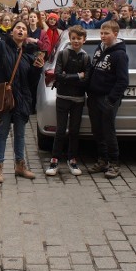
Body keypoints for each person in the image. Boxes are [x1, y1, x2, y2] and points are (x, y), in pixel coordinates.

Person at [0, 7, 44, 183]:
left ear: (26, 34)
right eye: (18, 28)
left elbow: (32, 81)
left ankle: (20, 166)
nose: (21, 30)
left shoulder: (28, 54)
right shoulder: (0, 47)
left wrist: (37, 68)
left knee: (20, 134)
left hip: (22, 99)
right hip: (4, 97)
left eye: (24, 29)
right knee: (2, 133)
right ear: (12, 32)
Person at [85, 21, 129, 179]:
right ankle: (102, 160)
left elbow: (123, 80)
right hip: (94, 96)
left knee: (108, 131)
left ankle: (114, 163)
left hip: (107, 98)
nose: (103, 36)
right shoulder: (100, 48)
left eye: (107, 33)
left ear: (115, 34)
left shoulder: (120, 54)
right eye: (102, 33)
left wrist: (111, 100)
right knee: (97, 130)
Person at [46, 25, 90, 177]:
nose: (76, 41)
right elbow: (58, 76)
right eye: (73, 38)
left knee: (74, 131)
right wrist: (78, 76)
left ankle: (72, 159)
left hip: (78, 99)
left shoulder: (85, 57)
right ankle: (55, 159)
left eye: (79, 38)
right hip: (63, 98)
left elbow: (87, 81)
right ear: (70, 39)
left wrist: (69, 77)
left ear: (84, 40)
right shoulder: (63, 54)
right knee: (60, 130)